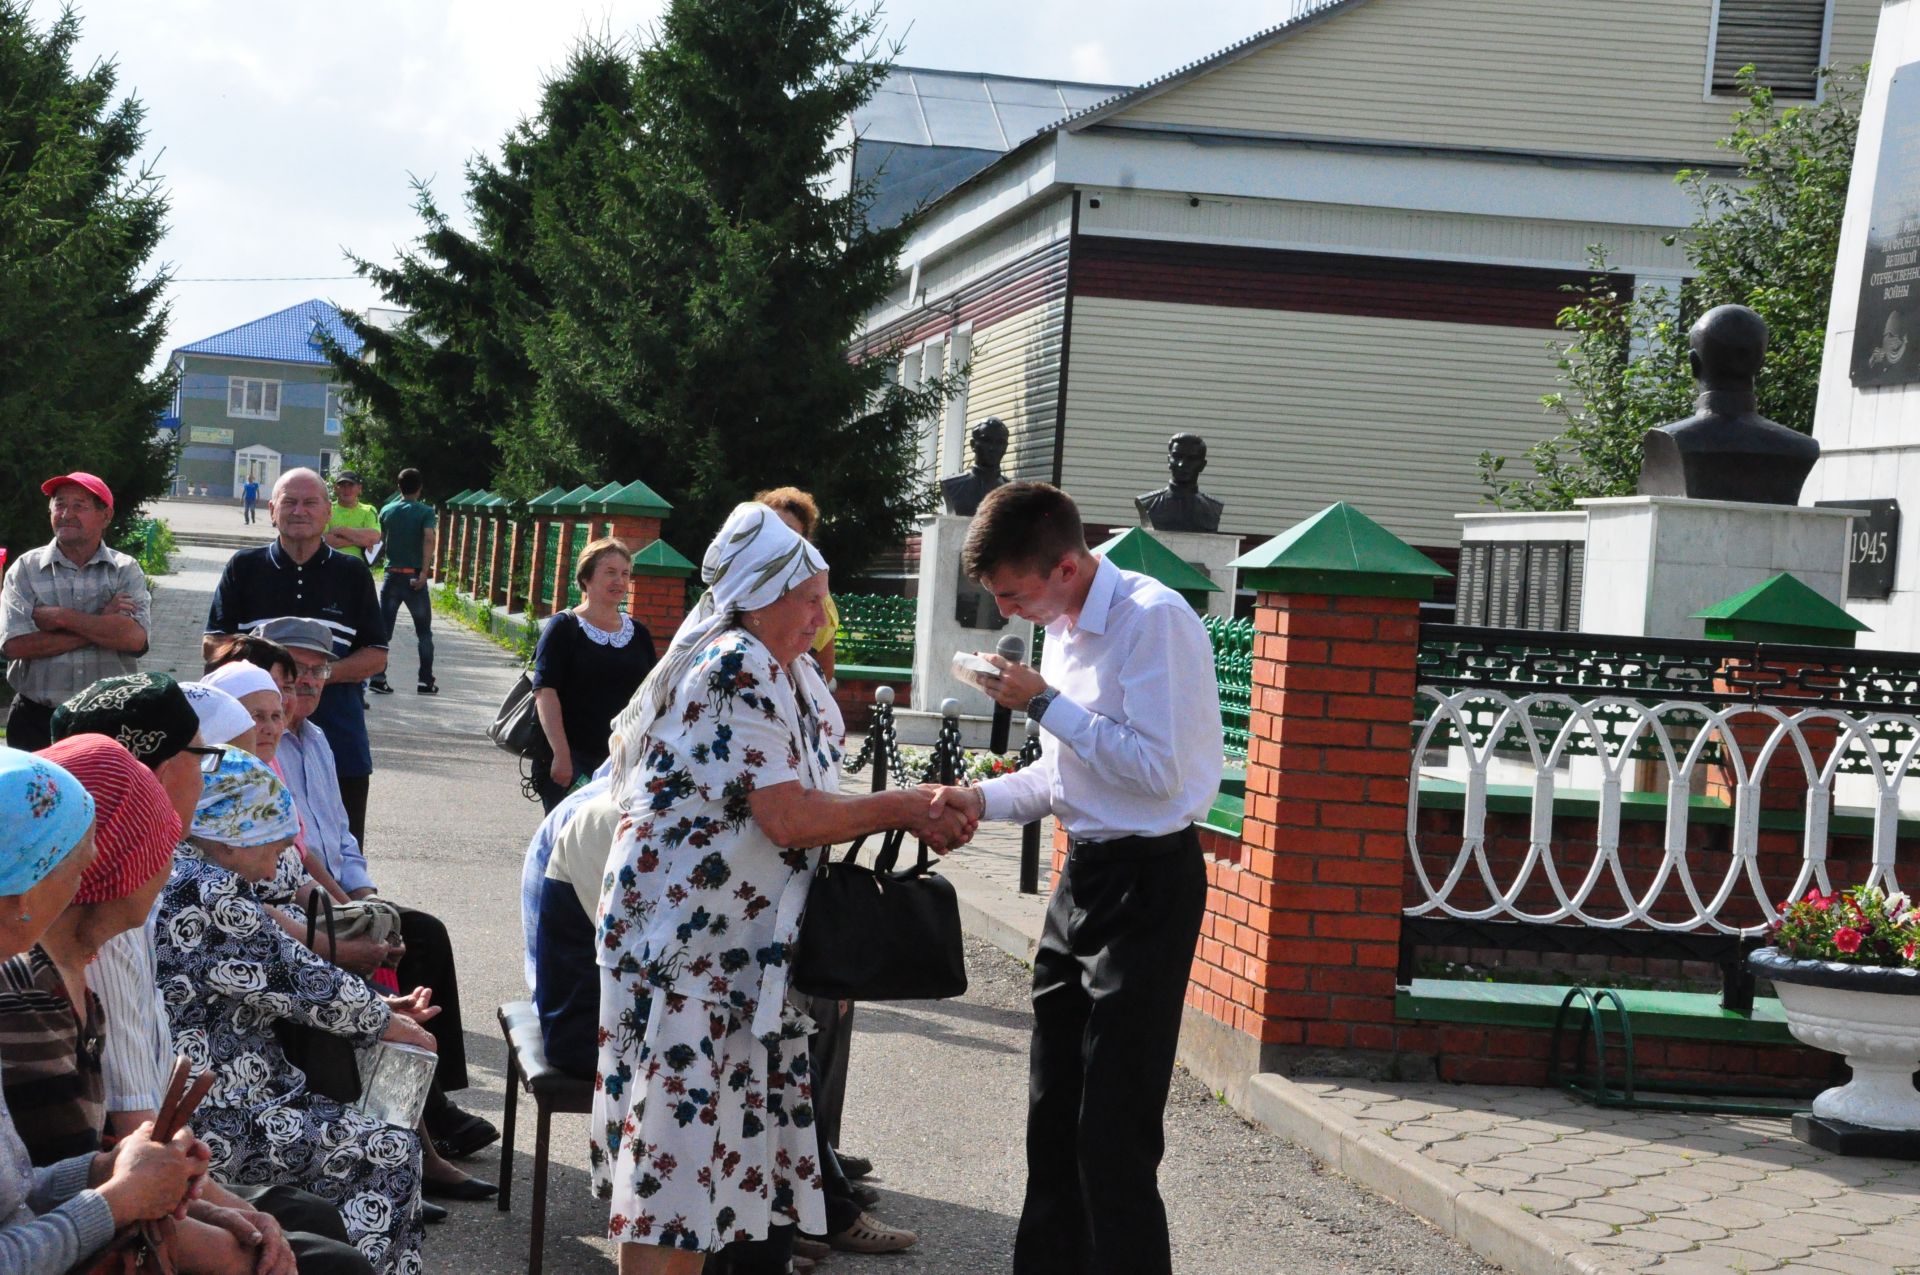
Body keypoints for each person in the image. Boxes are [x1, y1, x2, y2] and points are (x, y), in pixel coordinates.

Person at [591, 502, 975, 1274]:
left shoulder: (781, 667)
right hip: (690, 960)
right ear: (760, 593)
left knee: (714, 1178)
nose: (821, 613)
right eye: (808, 597)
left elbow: (794, 803)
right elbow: (788, 815)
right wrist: (904, 804)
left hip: (731, 959)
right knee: (672, 1180)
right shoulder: (737, 664)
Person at [927, 481, 1222, 1275]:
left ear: (1065, 565)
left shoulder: (1151, 620)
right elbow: (1062, 781)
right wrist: (975, 798)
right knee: (1052, 1117)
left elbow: (1159, 773)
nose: (1007, 613)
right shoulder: (1060, 624)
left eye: (1014, 593)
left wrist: (1047, 703)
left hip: (1149, 882)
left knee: (1113, 1133)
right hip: (1083, 875)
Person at [157, 747, 431, 1275]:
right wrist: (387, 1020)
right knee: (388, 1151)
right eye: (275, 843)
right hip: (216, 1111)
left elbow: (284, 973)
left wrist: (375, 1006)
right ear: (230, 836)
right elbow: (297, 977)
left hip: (211, 1094)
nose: (281, 858)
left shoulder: (184, 869)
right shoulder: (206, 890)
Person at [264, 617, 496, 1166]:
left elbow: (340, 834)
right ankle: (425, 1120)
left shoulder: (317, 739)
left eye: (319, 671)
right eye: (295, 671)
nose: (309, 683)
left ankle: (434, 1098)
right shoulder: (265, 746)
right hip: (301, 898)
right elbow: (296, 852)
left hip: (337, 890)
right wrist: (354, 910)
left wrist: (368, 895)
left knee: (422, 932)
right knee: (384, 937)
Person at [0, 744, 216, 1275]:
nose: (94, 866)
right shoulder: (25, 991)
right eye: (74, 858)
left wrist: (108, 1168)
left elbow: (15, 1194)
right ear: (18, 889)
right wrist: (120, 1199)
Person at [203, 468, 387, 847]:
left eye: (309, 502)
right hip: (253, 739)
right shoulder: (244, 567)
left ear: (328, 512)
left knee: (342, 847)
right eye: (289, 501)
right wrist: (272, 682)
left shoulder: (353, 573)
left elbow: (376, 655)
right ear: (272, 510)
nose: (299, 510)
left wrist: (315, 675)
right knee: (254, 848)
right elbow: (213, 645)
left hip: (340, 736)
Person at [2, 472, 151, 752]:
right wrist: (103, 625)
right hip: (36, 720)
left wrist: (61, 617)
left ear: (105, 516)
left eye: (79, 505)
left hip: (109, 722)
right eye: (59, 505)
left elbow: (134, 640)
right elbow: (14, 645)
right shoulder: (25, 569)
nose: (66, 514)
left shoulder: (124, 570)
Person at [529, 538, 656, 813]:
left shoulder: (639, 634)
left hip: (622, 763)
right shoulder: (564, 627)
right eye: (610, 572)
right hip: (573, 761)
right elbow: (545, 692)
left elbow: (651, 697)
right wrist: (561, 756)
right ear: (586, 578)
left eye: (625, 574)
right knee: (568, 846)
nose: (619, 581)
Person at [368, 468, 438, 696]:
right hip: (414, 577)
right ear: (420, 488)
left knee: (383, 633)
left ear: (399, 487)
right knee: (424, 633)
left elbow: (378, 540)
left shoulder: (387, 510)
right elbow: (428, 538)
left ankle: (378, 678)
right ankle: (425, 682)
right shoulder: (426, 512)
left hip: (391, 575)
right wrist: (425, 573)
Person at [322, 472, 381, 563]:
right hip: (330, 568)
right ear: (335, 488)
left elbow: (373, 538)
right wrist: (360, 540)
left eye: (351, 485)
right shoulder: (326, 509)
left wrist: (340, 530)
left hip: (358, 569)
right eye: (342, 485)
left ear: (359, 488)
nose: (346, 489)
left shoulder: (369, 510)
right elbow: (323, 541)